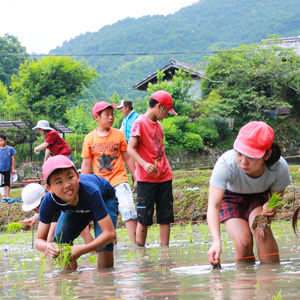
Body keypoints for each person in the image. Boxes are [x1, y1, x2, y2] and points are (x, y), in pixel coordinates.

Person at [207, 121, 292, 266]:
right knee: (243, 241)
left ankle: (271, 282)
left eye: (251, 157)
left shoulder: (279, 167)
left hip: (260, 196)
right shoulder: (226, 164)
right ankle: (245, 285)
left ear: (267, 155)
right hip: (231, 198)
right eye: (239, 153)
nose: (243, 162)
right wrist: (216, 241)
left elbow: (275, 198)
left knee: (261, 231)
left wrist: (271, 207)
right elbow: (213, 206)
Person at [35, 155, 117, 269]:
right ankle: (70, 282)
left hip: (104, 197)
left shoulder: (91, 192)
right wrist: (47, 247)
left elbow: (110, 234)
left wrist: (81, 250)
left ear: (77, 176)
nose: (67, 185)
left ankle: (104, 284)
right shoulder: (49, 201)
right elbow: (38, 241)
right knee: (61, 243)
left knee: (104, 250)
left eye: (70, 177)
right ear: (50, 188)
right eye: (59, 182)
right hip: (77, 208)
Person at [81, 101, 138, 244]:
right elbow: (86, 165)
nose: (111, 117)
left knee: (128, 209)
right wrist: (82, 186)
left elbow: (127, 157)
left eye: (112, 114)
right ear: (97, 117)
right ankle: (111, 247)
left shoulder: (119, 135)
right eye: (107, 115)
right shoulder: (89, 138)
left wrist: (136, 177)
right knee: (105, 216)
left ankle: (136, 244)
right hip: (100, 185)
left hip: (119, 180)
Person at [127, 90, 177, 247]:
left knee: (165, 216)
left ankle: (165, 252)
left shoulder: (159, 126)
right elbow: (130, 149)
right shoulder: (139, 123)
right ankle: (140, 254)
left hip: (164, 176)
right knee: (144, 217)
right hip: (146, 179)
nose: (167, 114)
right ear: (159, 107)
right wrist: (143, 164)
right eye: (167, 111)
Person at [0, 133, 16, 203]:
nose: (0, 142)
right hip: (0, 170)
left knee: (7, 183)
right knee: (1, 184)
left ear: (5, 140)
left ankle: (7, 196)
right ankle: (3, 197)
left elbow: (13, 159)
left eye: (1, 140)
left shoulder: (10, 149)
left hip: (8, 170)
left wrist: (12, 168)